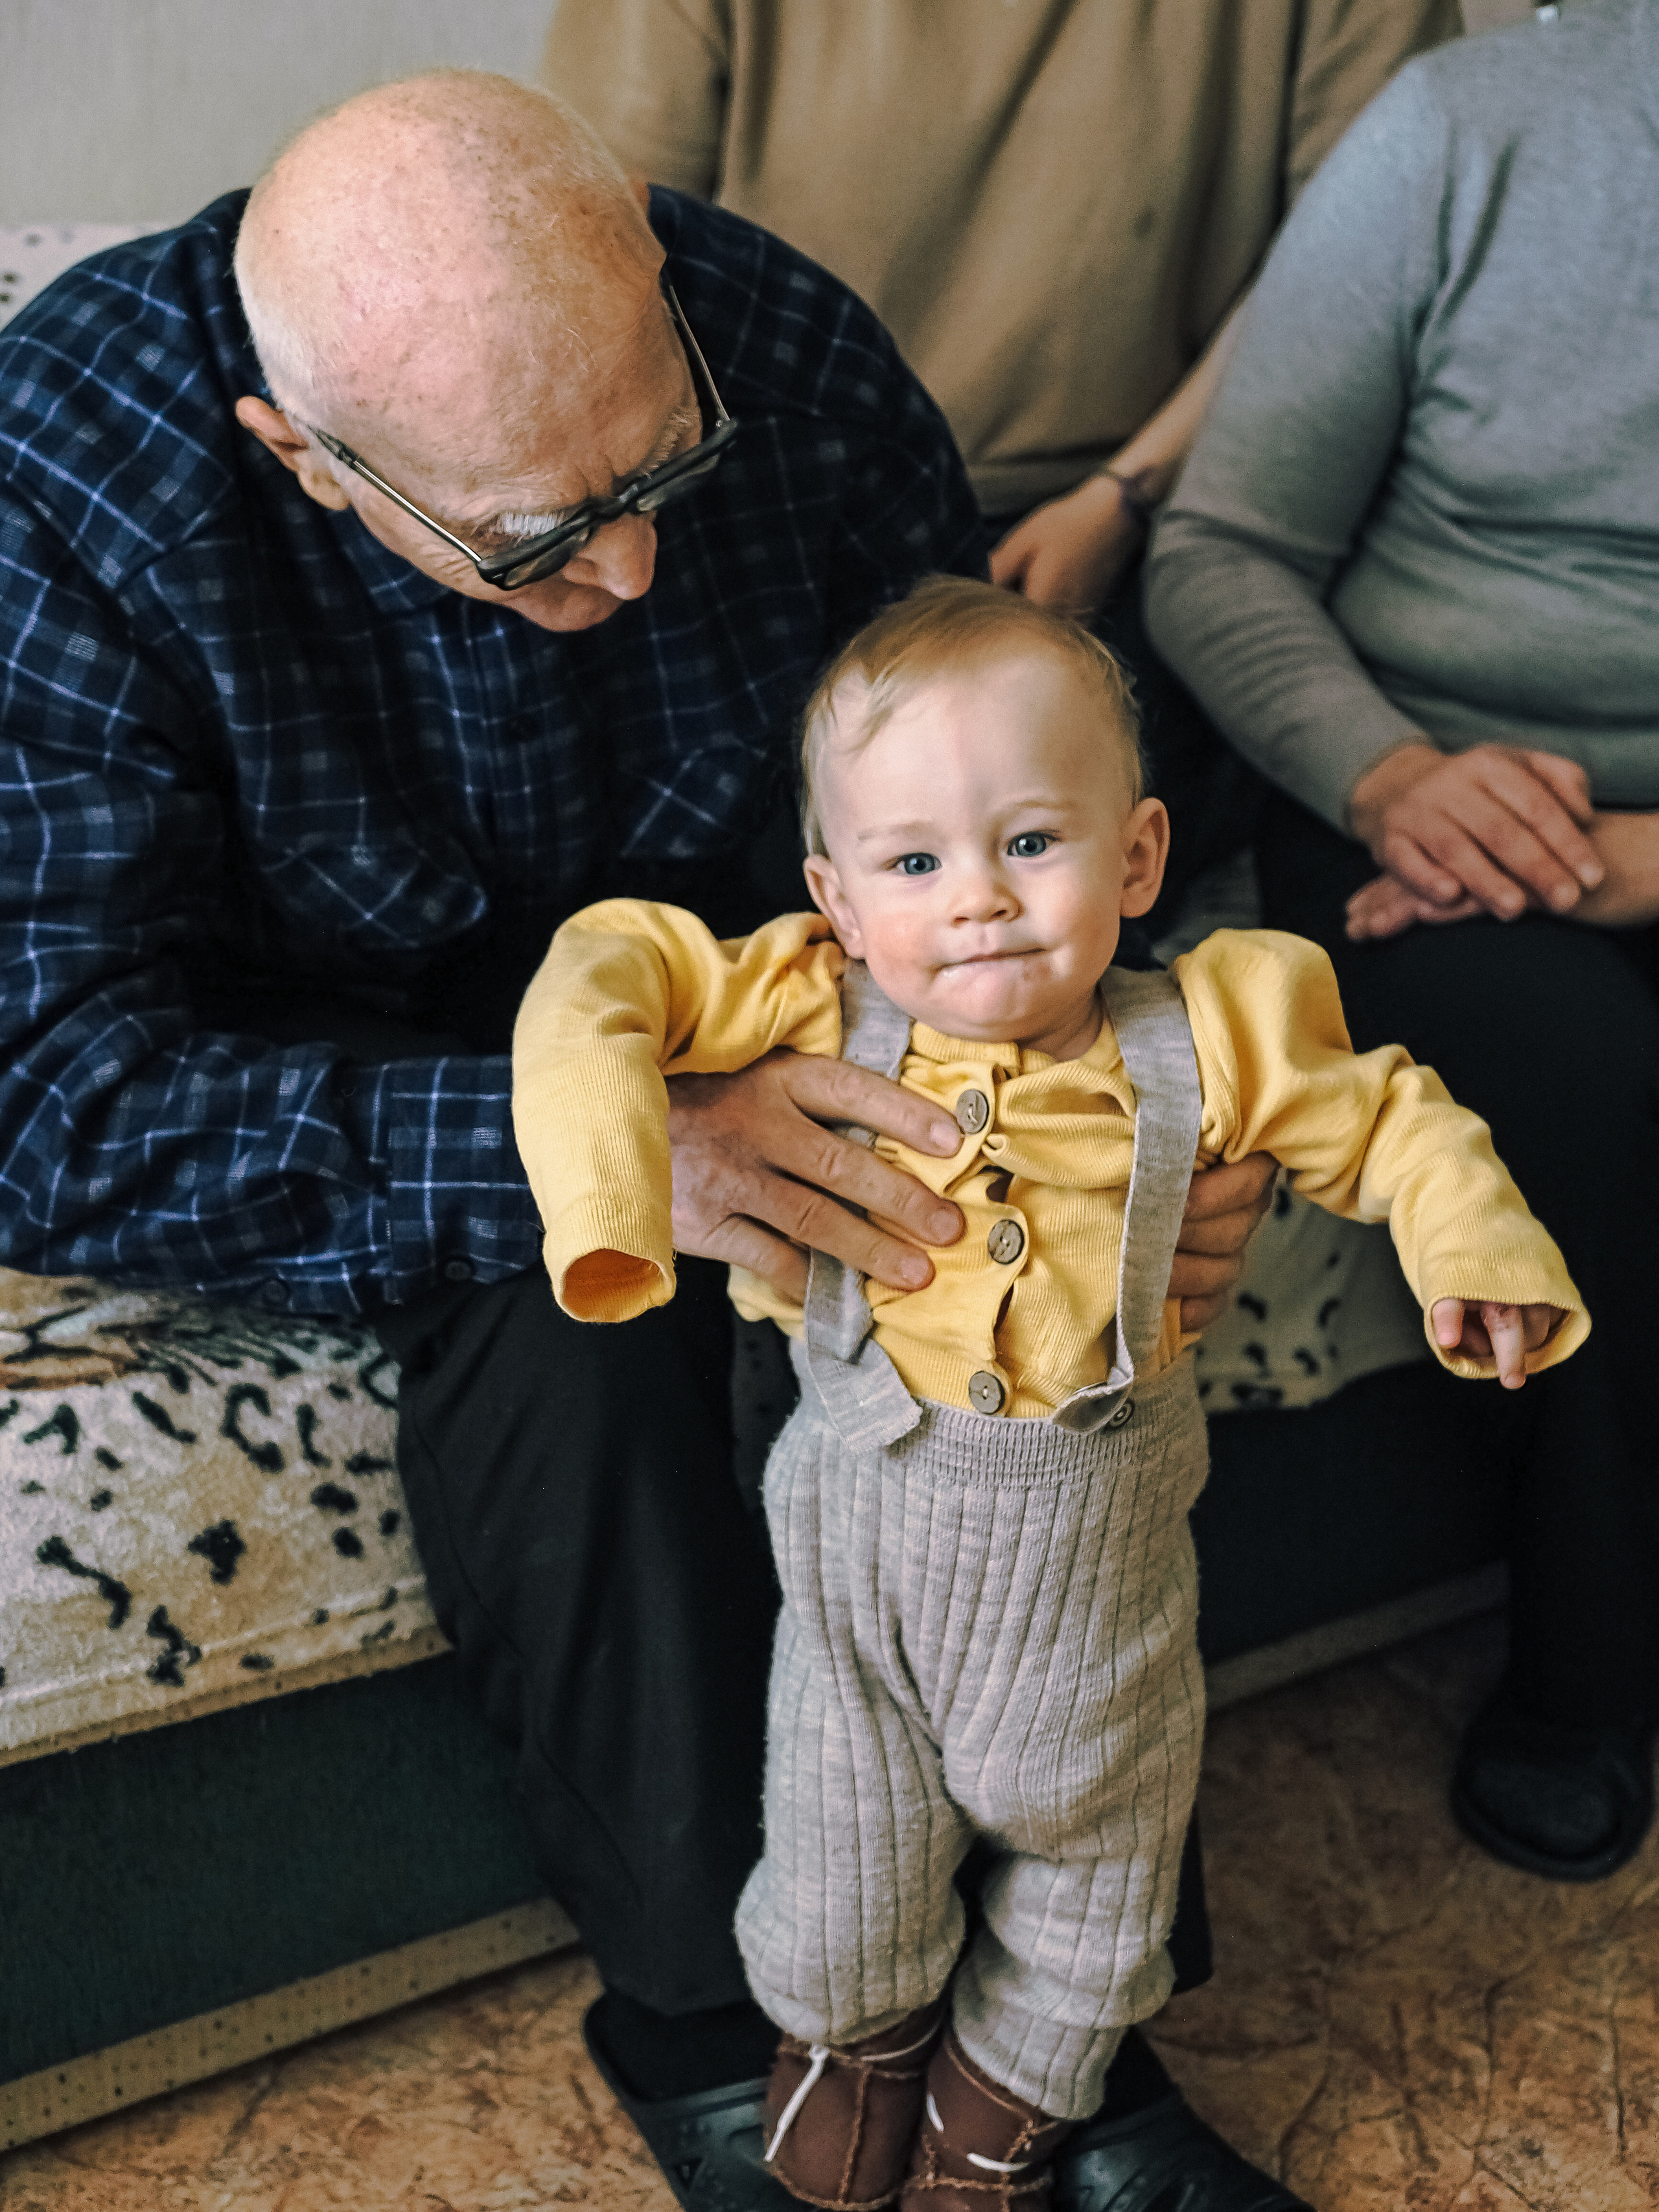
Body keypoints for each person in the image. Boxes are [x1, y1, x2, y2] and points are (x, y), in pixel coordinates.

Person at [0, 69, 1276, 2212]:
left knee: (984, 1310)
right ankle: (739, 2031)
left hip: (773, 962)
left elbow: (974, 794)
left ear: (658, 287)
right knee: (579, 1348)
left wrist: (1114, 1119)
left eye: (658, 464)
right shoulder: (63, 482)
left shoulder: (779, 337)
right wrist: (615, 1152)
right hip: (373, 1053)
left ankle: (1062, 2033)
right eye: (535, 540)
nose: (639, 558)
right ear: (301, 459)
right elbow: (46, 1095)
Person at [513, 577, 1586, 2212]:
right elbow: (602, 971)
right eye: (914, 863)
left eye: (1032, 843)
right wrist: (607, 1196)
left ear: (1138, 857)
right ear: (838, 896)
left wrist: (1474, 1253)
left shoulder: (1217, 1024)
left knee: (1098, 1892)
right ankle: (845, 2069)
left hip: (1099, 1600)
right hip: (861, 1566)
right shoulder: (812, 999)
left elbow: (1394, 1123)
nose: (981, 904)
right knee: (835, 1871)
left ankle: (1000, 2119)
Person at [1146, 0, 1659, 1884]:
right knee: (1585, 1072)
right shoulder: (1471, 128)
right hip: (1396, 782)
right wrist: (1392, 777)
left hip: (1638, 843)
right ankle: (1588, 1674)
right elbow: (1222, 552)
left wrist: (1627, 863)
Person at [540, 0, 1459, 923]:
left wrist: (1124, 498)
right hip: (781, 492)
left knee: (1057, 853)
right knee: (777, 872)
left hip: (1141, 511)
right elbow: (605, 247)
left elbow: (1352, 263)